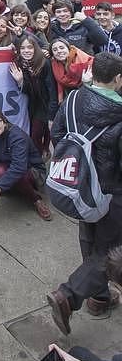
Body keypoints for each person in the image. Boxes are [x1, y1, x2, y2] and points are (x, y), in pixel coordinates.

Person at [47, 52, 122, 335]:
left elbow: (58, 136)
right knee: (110, 250)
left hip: (80, 184)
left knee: (89, 238)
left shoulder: (74, 98)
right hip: (111, 192)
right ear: (117, 79)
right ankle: (68, 295)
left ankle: (100, 297)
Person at [0, 108, 52, 220]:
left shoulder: (16, 136)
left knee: (16, 174)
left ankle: (36, 200)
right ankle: (11, 187)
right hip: (11, 166)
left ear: (4, 121)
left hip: (33, 171)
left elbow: (19, 167)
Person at [10, 36, 57, 157]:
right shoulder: (19, 64)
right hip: (32, 105)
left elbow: (52, 90)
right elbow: (28, 91)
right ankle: (39, 158)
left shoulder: (44, 62)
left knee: (39, 133)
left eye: (30, 47)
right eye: (23, 48)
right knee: (34, 134)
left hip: (46, 104)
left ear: (35, 48)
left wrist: (52, 115)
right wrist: (20, 81)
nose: (26, 51)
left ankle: (40, 159)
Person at [50, 38, 93, 111]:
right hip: (70, 104)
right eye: (55, 50)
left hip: (88, 103)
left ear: (68, 49)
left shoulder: (86, 62)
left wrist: (87, 83)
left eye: (61, 48)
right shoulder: (54, 65)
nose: (59, 51)